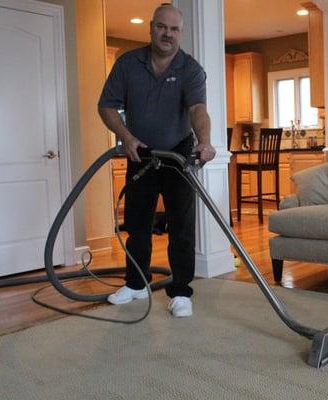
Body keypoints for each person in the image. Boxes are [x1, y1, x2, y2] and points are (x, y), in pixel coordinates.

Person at [98, 4, 215, 317]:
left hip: (177, 155)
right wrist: (126, 137)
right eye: (162, 27)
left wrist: (204, 141)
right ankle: (136, 284)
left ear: (180, 33)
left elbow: (197, 110)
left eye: (174, 29)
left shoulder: (190, 68)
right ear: (151, 28)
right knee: (138, 224)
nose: (168, 34)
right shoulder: (127, 64)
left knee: (181, 225)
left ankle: (180, 292)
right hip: (141, 153)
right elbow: (107, 106)